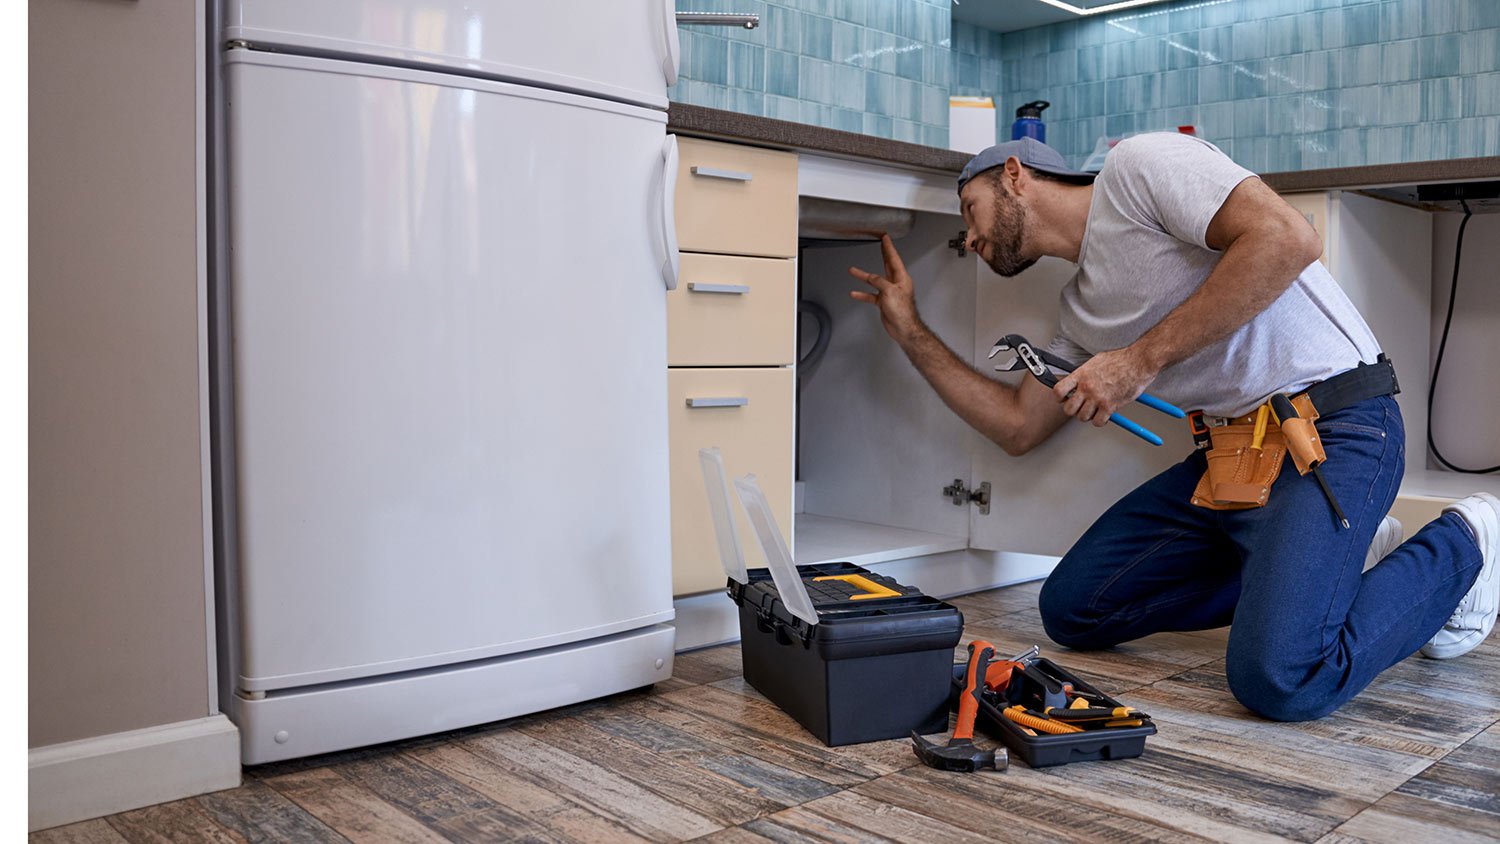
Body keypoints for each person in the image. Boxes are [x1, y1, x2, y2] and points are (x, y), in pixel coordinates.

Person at [846, 134, 1497, 721]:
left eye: (969, 210)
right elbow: (1018, 425)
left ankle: (1470, 540)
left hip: (1332, 430)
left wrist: (1137, 362)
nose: (970, 238)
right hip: (1232, 469)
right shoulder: (1080, 314)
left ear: (1014, 174)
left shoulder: (1138, 168)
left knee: (1280, 679)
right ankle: (1328, 560)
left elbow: (1289, 239)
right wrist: (907, 330)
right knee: (1073, 607)